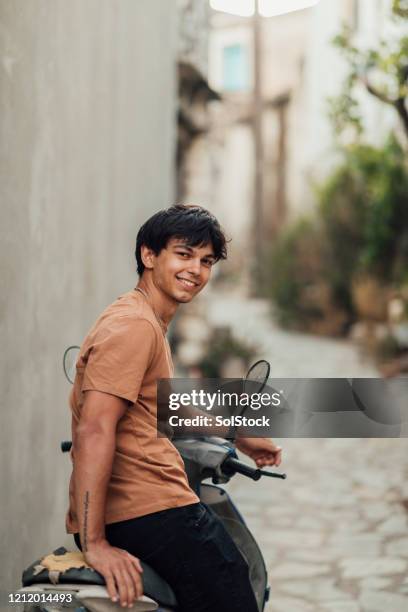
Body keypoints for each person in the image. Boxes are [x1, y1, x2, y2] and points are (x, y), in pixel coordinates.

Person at [66, 204, 282, 611]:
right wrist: (94, 544)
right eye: (183, 255)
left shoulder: (145, 320)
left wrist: (237, 436)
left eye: (206, 261)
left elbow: (167, 410)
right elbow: (94, 429)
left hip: (148, 508)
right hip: (154, 511)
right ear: (149, 256)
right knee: (234, 595)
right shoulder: (134, 326)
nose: (196, 270)